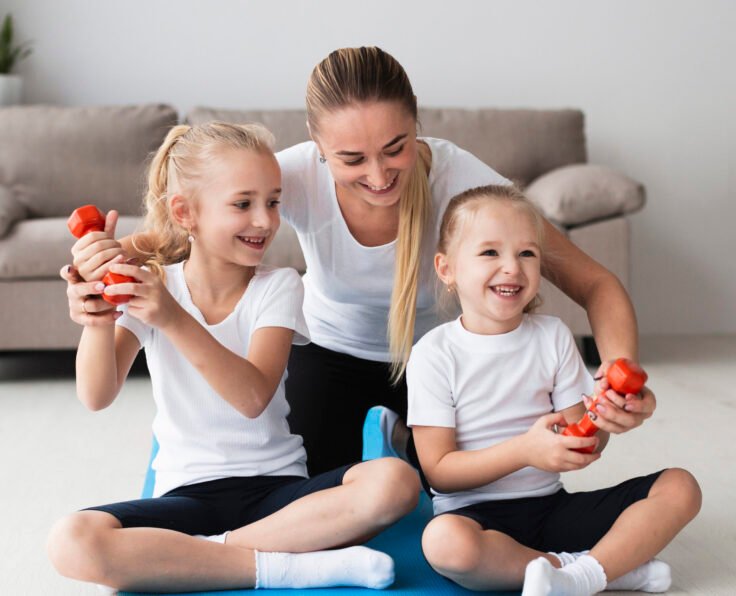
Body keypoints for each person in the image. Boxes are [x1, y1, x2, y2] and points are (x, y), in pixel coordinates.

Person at [62, 46, 657, 477]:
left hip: (445, 368)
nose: (378, 176)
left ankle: (406, 446)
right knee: (323, 491)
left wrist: (619, 375)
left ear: (417, 122)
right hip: (330, 357)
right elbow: (176, 233)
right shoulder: (289, 176)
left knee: (480, 487)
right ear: (318, 148)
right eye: (351, 159)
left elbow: (595, 283)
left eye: (396, 149)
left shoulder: (464, 182)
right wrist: (93, 269)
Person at [47, 122, 419, 594]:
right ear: (186, 212)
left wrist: (174, 318)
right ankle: (284, 565)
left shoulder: (278, 285)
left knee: (394, 483)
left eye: (273, 201)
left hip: (278, 492)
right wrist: (97, 320)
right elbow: (96, 396)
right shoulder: (156, 287)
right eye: (243, 204)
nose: (264, 220)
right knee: (70, 540)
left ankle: (206, 556)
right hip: (187, 495)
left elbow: (251, 396)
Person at [406, 184, 701, 595]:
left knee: (681, 486)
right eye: (490, 252)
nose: (512, 267)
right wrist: (524, 451)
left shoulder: (553, 335)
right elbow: (440, 471)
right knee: (443, 543)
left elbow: (588, 443)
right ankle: (596, 569)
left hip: (550, 507)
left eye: (527, 253)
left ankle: (580, 577)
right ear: (447, 269)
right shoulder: (433, 354)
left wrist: (607, 416)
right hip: (475, 517)